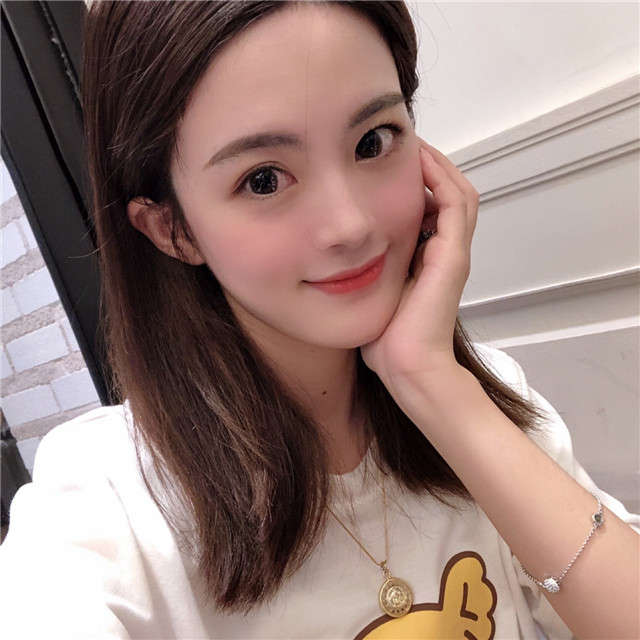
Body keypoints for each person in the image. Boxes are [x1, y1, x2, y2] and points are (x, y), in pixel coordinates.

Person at [0, 2, 638, 638]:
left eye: (372, 142)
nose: (350, 225)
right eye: (264, 180)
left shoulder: (483, 397)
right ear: (172, 229)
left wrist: (433, 386)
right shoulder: (107, 502)